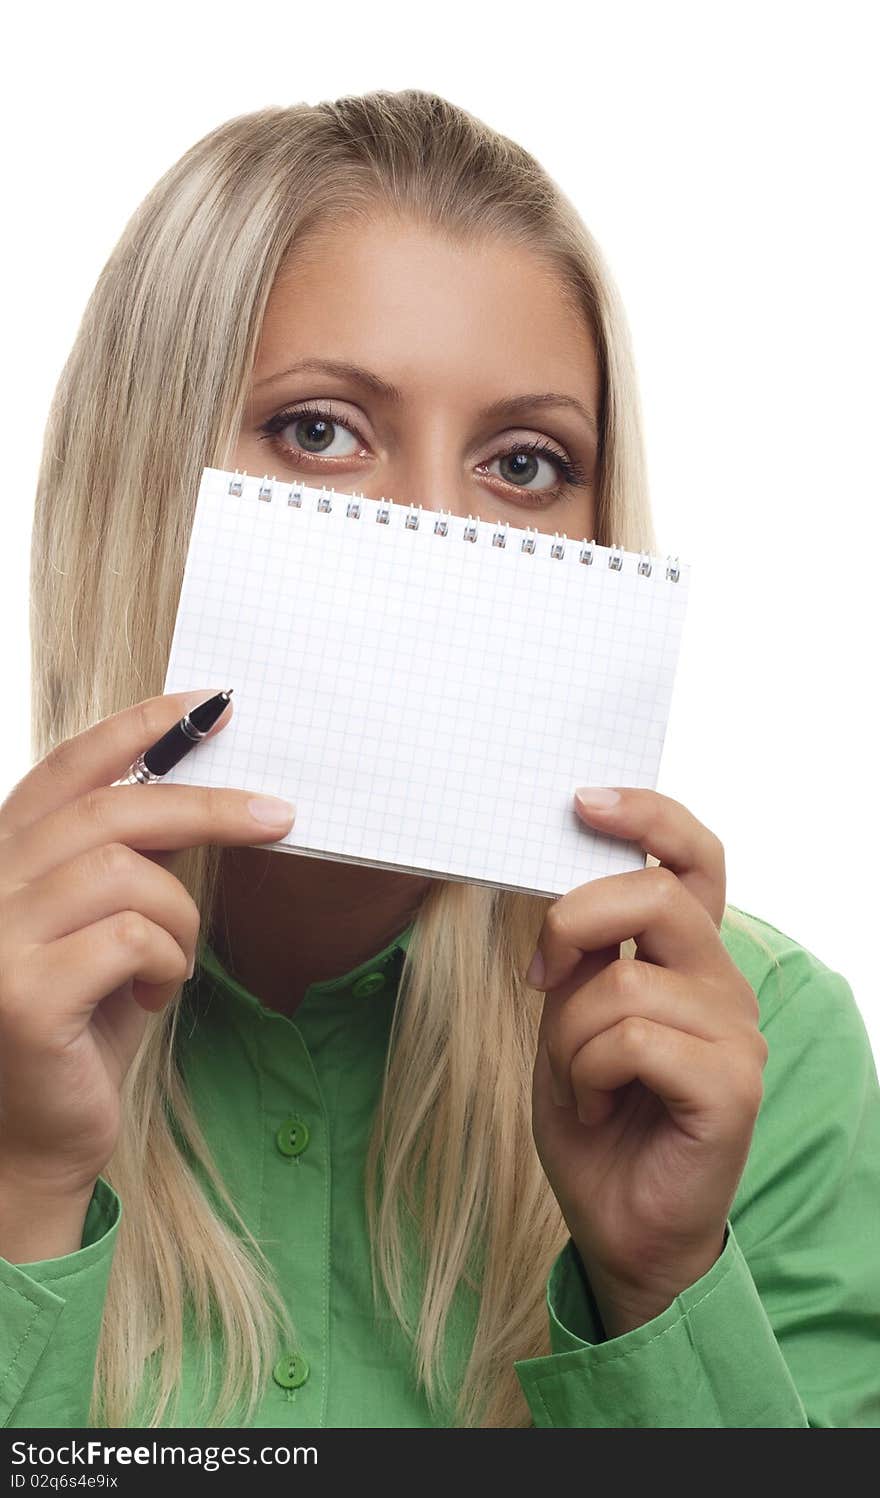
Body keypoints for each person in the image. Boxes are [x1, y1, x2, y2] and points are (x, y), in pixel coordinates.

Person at [1, 89, 878, 1431]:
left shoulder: (756, 1054)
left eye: (524, 462)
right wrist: (22, 1183)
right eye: (321, 433)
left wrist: (660, 1283)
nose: (432, 536)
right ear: (143, 480)